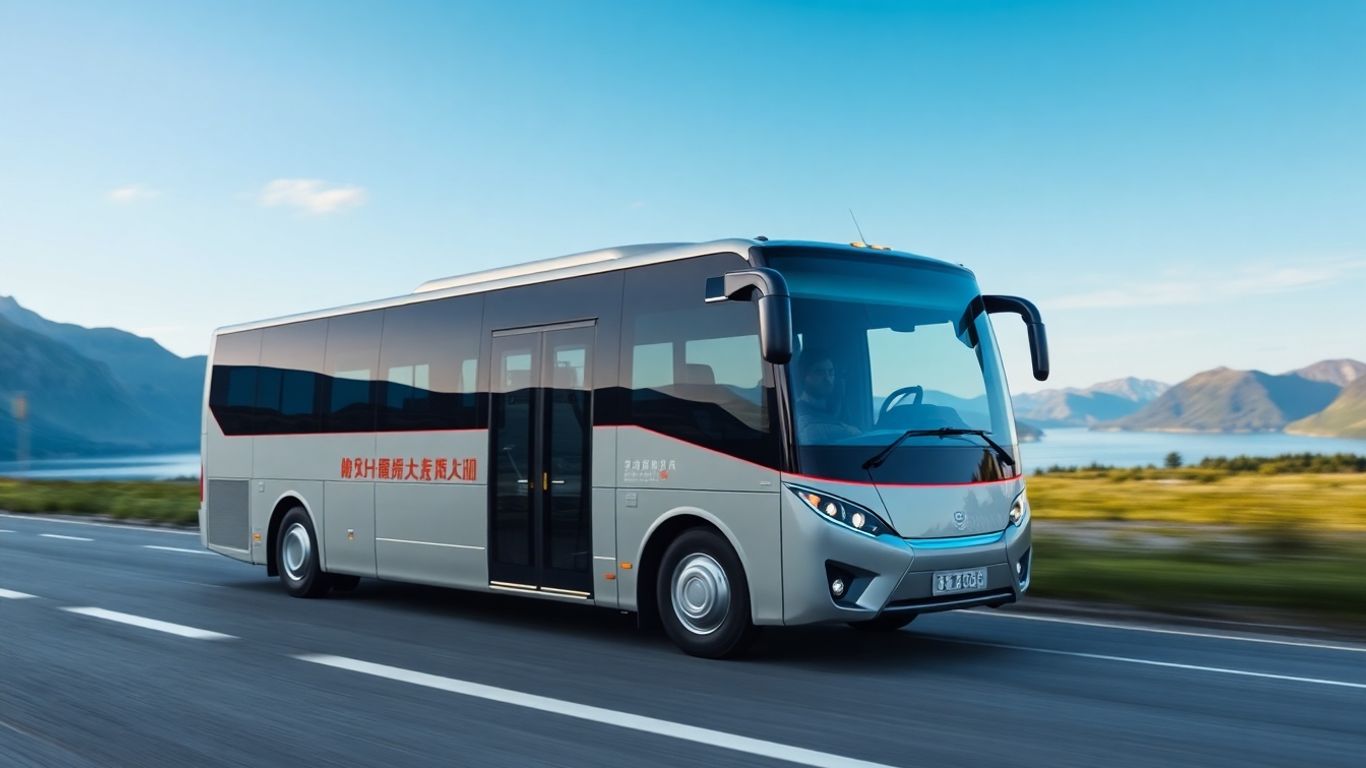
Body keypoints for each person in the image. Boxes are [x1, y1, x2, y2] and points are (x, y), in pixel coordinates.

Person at [794, 350, 859, 442]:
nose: (828, 379)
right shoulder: (798, 412)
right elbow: (810, 432)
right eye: (819, 373)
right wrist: (848, 430)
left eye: (831, 372)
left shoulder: (837, 408)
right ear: (804, 376)